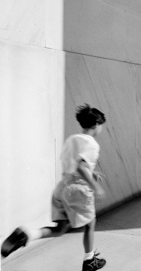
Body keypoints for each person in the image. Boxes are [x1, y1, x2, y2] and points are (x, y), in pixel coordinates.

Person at [1, 104, 107, 271]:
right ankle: (89, 260)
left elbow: (73, 164)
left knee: (60, 228)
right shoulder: (92, 144)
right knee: (90, 223)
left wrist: (92, 173)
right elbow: (80, 166)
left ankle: (27, 234)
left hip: (62, 187)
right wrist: (95, 185)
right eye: (102, 125)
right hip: (78, 189)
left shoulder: (72, 139)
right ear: (97, 124)